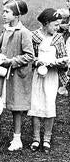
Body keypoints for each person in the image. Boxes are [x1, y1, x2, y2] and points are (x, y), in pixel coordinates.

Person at [0, 0, 34, 150]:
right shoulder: (6, 29)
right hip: (2, 72)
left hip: (15, 74)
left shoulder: (24, 33)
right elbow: (2, 47)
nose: (3, 14)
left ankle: (17, 139)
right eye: (3, 11)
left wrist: (11, 61)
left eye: (7, 12)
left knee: (16, 105)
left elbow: (29, 55)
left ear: (16, 15)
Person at [28, 9, 67, 153]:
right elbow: (30, 56)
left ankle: (47, 139)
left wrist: (60, 63)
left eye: (59, 25)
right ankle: (36, 138)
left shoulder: (58, 39)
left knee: (49, 103)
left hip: (52, 76)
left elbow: (64, 57)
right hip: (38, 75)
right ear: (45, 23)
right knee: (36, 103)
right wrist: (37, 62)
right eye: (55, 25)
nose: (58, 28)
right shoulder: (34, 37)